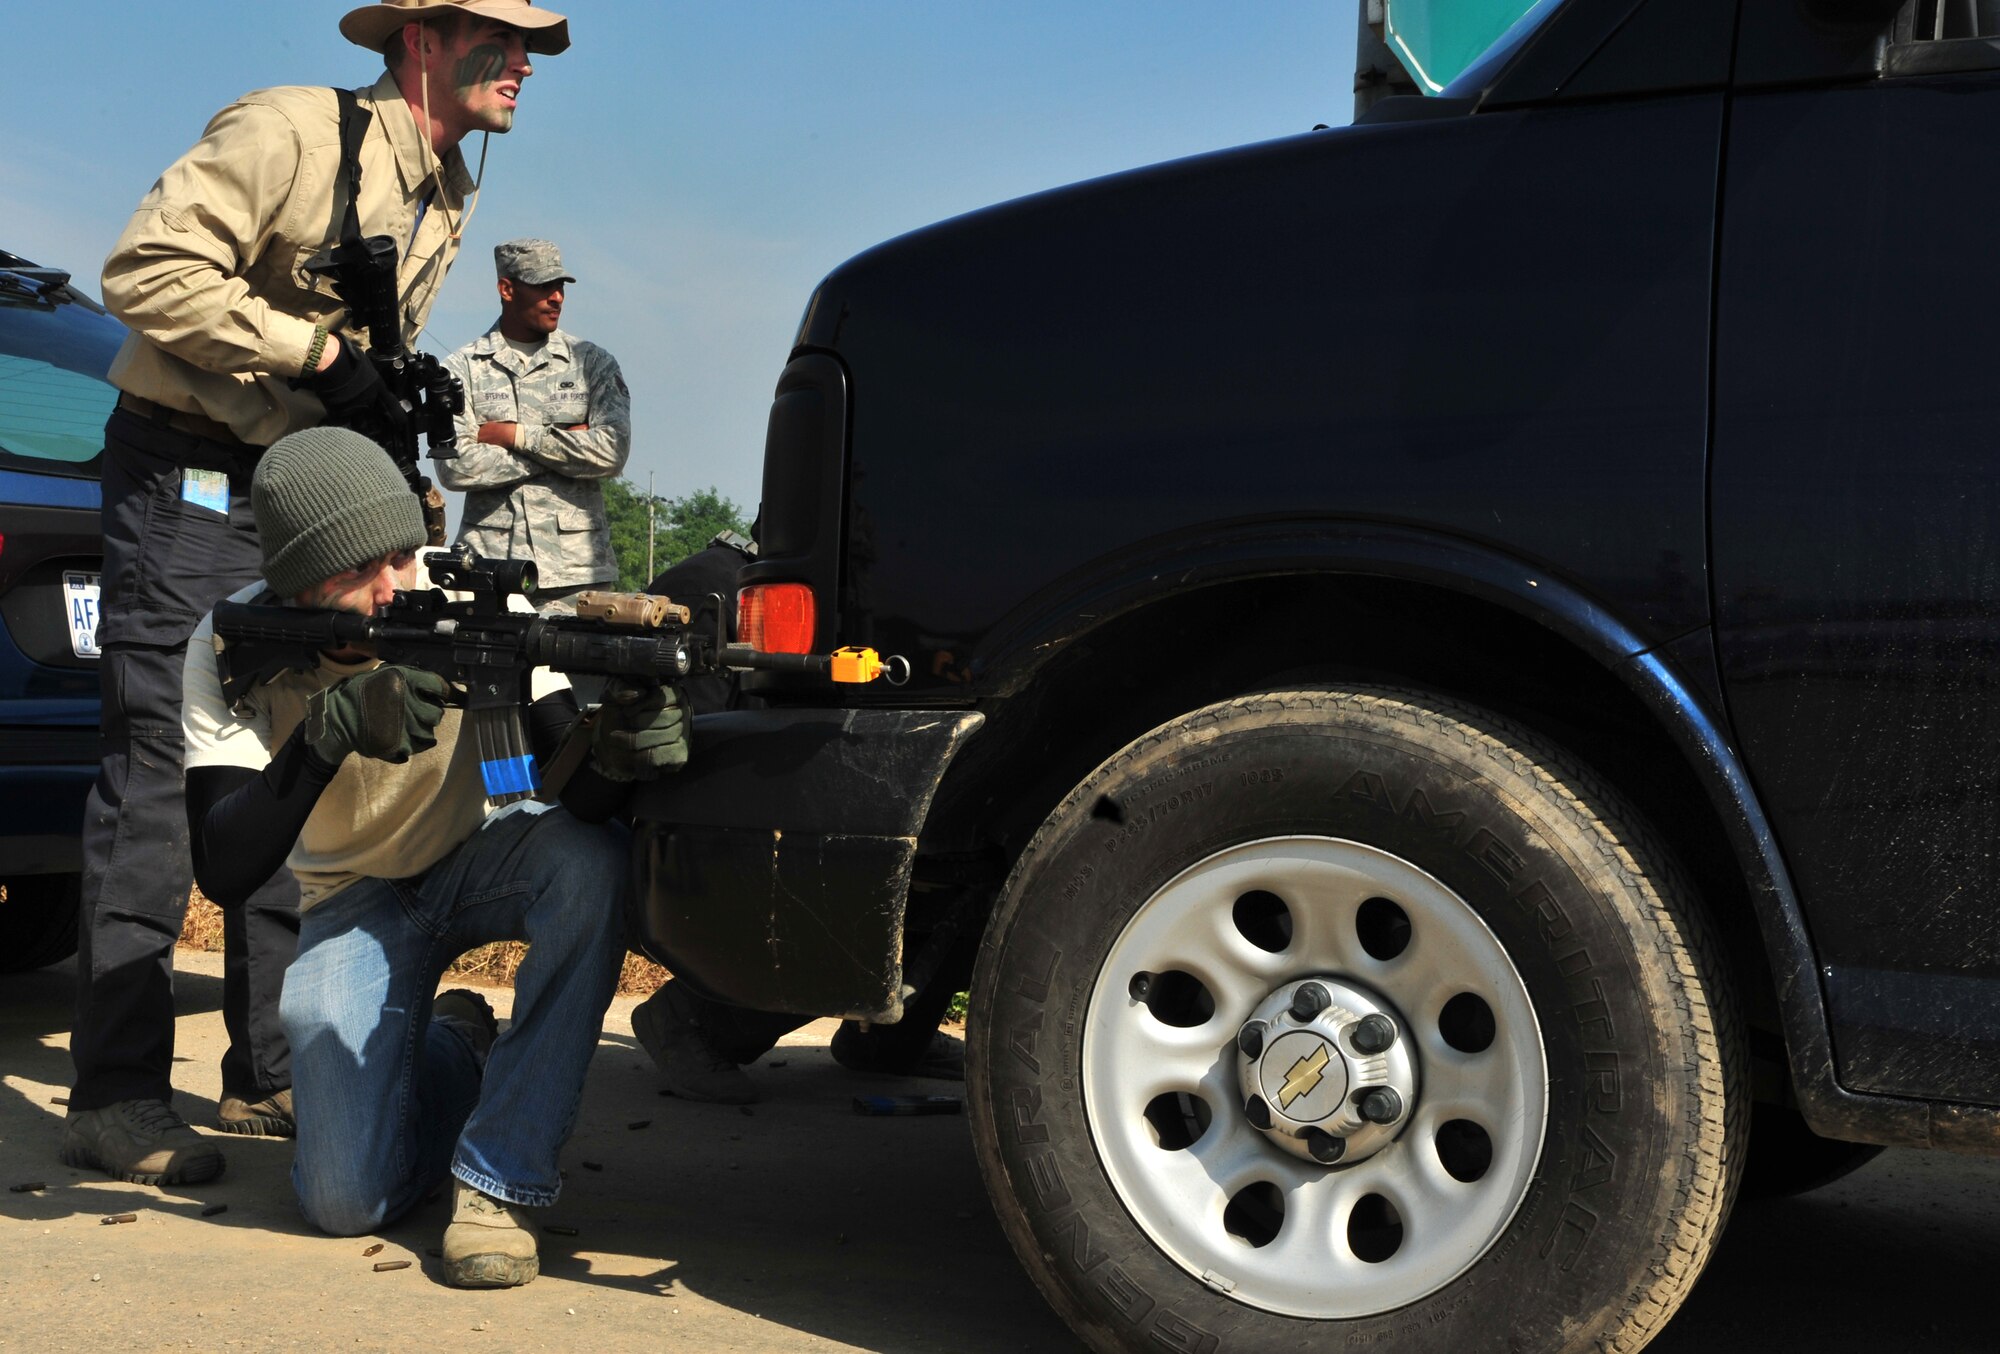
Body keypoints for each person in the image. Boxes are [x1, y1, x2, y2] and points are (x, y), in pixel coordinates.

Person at [64, 0, 570, 1188]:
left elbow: (360, 353)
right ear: (423, 40)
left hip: (312, 498)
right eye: (504, 43)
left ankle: (271, 1070)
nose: (525, 68)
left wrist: (384, 399)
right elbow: (143, 269)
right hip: (189, 470)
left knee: (304, 749)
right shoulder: (288, 131)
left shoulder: (447, 188)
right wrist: (320, 358)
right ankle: (118, 1091)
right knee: (158, 763)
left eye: (534, 49)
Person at [182, 427, 685, 1287]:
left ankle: (500, 1179)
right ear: (297, 588)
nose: (393, 590)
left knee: (591, 862)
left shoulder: (481, 608)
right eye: (356, 574)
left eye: (404, 559)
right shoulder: (229, 645)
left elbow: (575, 804)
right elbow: (224, 866)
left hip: (487, 855)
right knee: (344, 1203)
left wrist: (620, 751)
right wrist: (324, 735)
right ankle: (454, 1044)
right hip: (349, 897)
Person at [624, 539, 970, 1104]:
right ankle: (690, 1023)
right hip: (691, 837)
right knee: (844, 867)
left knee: (954, 856)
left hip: (760, 802)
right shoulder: (707, 588)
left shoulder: (833, 593)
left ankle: (888, 1040)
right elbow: (694, 755)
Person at [435, 238, 632, 616]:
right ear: (507, 289)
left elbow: (611, 452)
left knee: (580, 676)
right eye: (543, 286)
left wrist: (516, 437)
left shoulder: (593, 365)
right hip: (486, 572)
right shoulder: (460, 369)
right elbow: (456, 466)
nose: (556, 297)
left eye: (560, 287)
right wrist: (567, 447)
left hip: (577, 575)